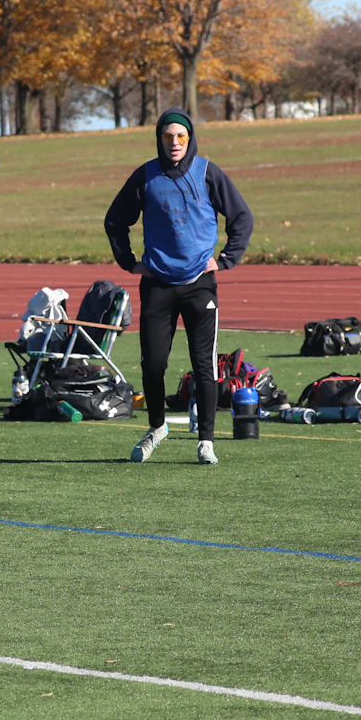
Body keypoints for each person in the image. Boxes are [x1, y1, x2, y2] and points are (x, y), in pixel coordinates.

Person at [103, 108, 253, 466]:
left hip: (200, 286)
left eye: (181, 136)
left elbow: (241, 217)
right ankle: (157, 428)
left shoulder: (208, 172)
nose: (174, 143)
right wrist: (129, 261)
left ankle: (206, 441)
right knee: (153, 364)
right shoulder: (145, 176)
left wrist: (226, 259)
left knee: (205, 366)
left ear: (190, 139)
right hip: (157, 285)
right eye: (168, 136)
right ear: (159, 139)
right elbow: (115, 220)